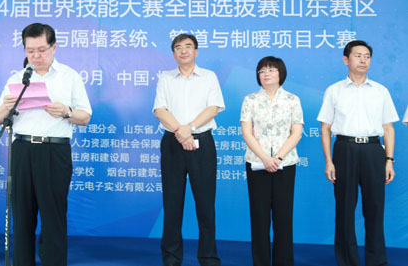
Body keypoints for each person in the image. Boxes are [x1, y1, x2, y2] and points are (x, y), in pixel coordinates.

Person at [0, 23, 92, 266]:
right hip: (22, 149)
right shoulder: (17, 78)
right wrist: (6, 106)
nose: (36, 56)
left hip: (54, 151)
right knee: (22, 214)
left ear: (53, 47)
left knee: (53, 214)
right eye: (30, 51)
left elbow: (85, 117)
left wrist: (66, 111)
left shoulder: (69, 76)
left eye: (41, 50)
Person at [318, 40, 398, 266]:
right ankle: (347, 261)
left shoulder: (381, 91)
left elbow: (388, 128)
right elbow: (325, 128)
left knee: (375, 209)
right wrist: (329, 161)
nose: (363, 60)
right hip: (344, 150)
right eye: (358, 55)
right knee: (345, 209)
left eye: (367, 56)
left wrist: (389, 160)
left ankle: (377, 261)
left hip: (374, 150)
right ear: (346, 59)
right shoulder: (334, 90)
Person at [153, 33, 225, 266]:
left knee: (205, 204)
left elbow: (213, 108)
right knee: (172, 203)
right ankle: (171, 258)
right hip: (172, 144)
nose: (183, 51)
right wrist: (181, 132)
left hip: (202, 143)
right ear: (173, 53)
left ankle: (208, 257)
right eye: (178, 47)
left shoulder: (209, 77)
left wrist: (190, 128)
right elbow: (160, 109)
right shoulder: (166, 77)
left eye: (188, 46)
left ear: (196, 51)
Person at [240, 56, 303, 266]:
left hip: (285, 164)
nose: (266, 74)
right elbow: (247, 133)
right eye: (262, 71)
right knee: (259, 217)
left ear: (280, 73)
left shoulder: (292, 100)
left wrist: (277, 158)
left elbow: (296, 132)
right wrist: (265, 158)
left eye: (271, 70)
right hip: (257, 164)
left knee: (283, 216)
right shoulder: (250, 100)